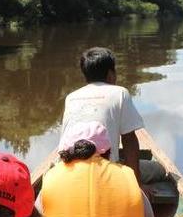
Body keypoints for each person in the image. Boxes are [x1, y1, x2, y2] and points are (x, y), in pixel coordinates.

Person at [62, 47, 144, 183]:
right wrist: (136, 185)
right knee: (156, 170)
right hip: (107, 174)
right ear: (111, 74)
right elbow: (129, 140)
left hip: (68, 172)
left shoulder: (71, 97)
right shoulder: (120, 93)